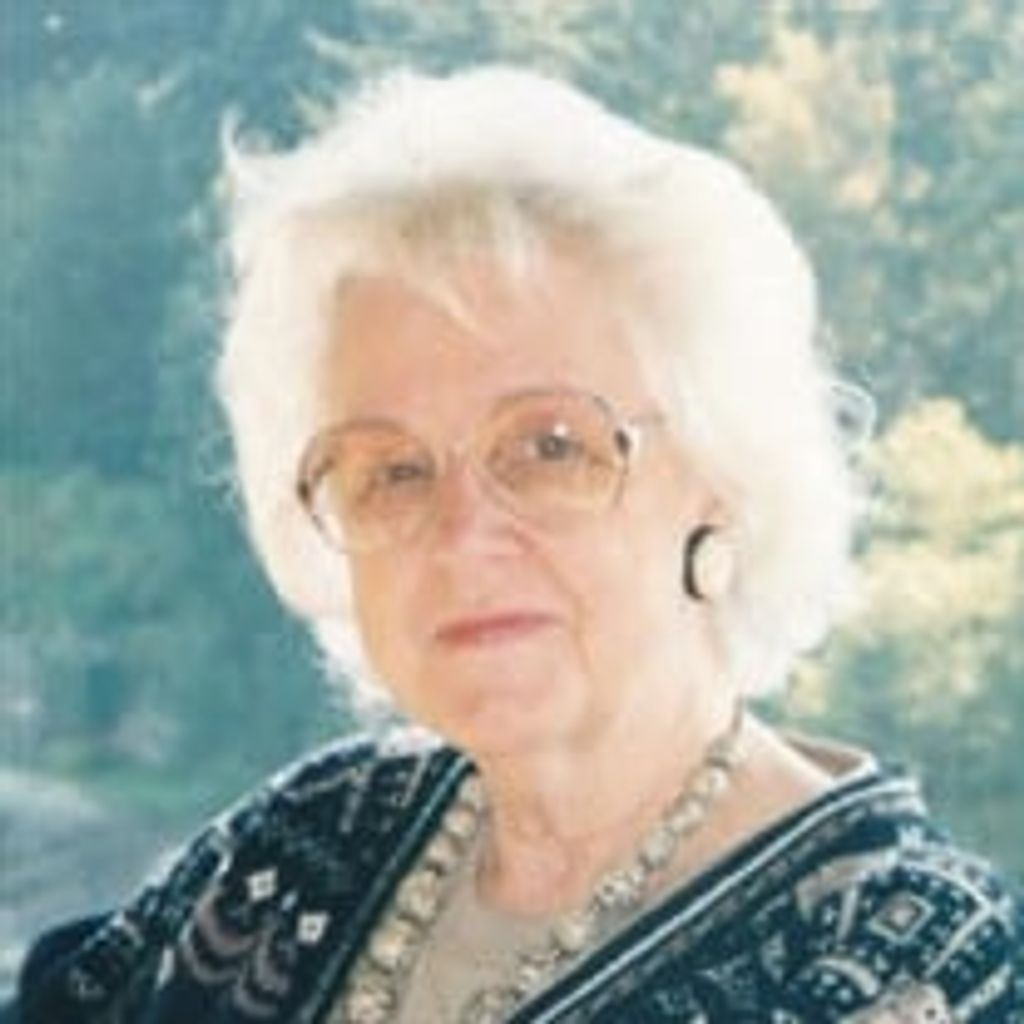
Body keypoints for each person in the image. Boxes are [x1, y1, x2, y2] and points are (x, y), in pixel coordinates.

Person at [12, 66, 1022, 1023]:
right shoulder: (309, 839)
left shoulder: (914, 963)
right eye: (391, 470)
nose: (462, 539)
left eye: (550, 447)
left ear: (721, 475)